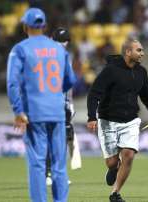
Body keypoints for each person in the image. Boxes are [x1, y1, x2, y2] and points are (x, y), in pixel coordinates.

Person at [7, 8, 76, 202]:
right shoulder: (59, 50)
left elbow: (12, 83)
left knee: (37, 164)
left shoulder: (20, 49)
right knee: (59, 165)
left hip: (34, 112)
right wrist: (54, 94)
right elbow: (71, 80)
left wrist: (18, 111)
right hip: (57, 112)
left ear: (25, 26)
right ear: (44, 26)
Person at [86, 38, 148, 202]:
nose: (142, 53)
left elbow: (147, 95)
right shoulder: (110, 71)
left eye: (142, 50)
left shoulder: (141, 72)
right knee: (111, 162)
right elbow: (94, 93)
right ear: (128, 52)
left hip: (130, 121)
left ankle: (115, 193)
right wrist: (91, 117)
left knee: (128, 154)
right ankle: (113, 168)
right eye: (139, 50)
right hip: (108, 121)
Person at [45, 27, 82, 186]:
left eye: (64, 41)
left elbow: (68, 84)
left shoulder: (63, 56)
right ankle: (49, 172)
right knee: (54, 139)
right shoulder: (49, 55)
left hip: (58, 103)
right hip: (52, 103)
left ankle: (55, 173)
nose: (63, 44)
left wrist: (69, 104)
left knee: (61, 138)